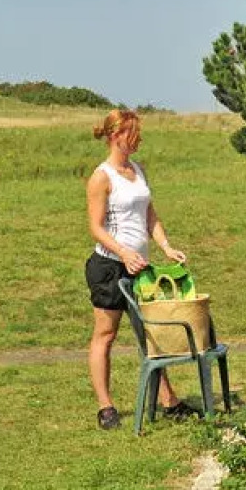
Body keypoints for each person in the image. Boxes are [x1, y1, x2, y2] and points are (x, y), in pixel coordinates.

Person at [84, 108, 196, 430]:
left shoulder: (139, 170)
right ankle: (106, 407)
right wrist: (123, 252)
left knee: (150, 334)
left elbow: (150, 215)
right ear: (116, 135)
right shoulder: (101, 177)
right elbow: (95, 227)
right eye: (132, 133)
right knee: (105, 335)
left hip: (140, 266)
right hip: (109, 266)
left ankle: (169, 401)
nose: (138, 139)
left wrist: (165, 246)